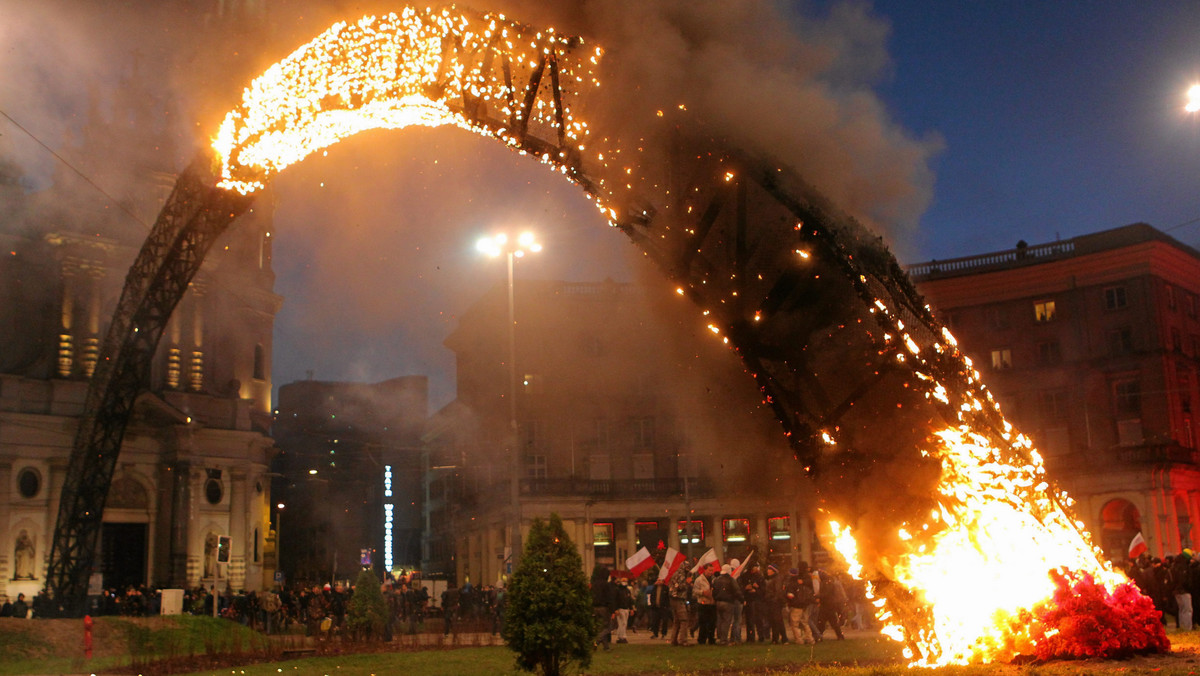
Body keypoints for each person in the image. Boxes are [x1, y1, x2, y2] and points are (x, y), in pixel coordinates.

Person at [783, 568, 815, 644]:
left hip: (796, 606)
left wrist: (788, 600)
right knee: (804, 622)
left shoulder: (791, 583)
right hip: (804, 605)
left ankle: (799, 640)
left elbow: (790, 595)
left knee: (794, 624)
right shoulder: (801, 582)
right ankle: (810, 639)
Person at [712, 563, 742, 644]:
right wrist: (742, 599)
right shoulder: (731, 580)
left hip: (718, 602)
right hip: (728, 602)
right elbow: (736, 591)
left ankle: (719, 637)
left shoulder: (716, 580)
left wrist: (715, 599)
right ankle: (724, 639)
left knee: (719, 621)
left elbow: (714, 591)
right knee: (726, 621)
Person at [591, 566, 617, 649]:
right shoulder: (606, 585)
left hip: (595, 608)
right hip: (604, 608)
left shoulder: (594, 584)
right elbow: (609, 598)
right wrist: (613, 610)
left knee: (600, 627)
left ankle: (606, 647)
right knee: (608, 627)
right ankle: (597, 641)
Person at [763, 565, 788, 643]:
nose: (768, 571)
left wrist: (774, 600)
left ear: (773, 571)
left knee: (778, 620)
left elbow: (778, 591)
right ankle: (775, 638)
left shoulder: (777, 579)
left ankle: (784, 638)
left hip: (775, 602)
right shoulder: (772, 579)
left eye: (769, 569)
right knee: (774, 621)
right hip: (771, 602)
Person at [693, 565, 717, 644]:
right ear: (705, 570)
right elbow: (694, 592)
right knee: (703, 622)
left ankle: (711, 638)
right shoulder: (699, 580)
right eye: (709, 570)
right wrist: (702, 592)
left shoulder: (714, 579)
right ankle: (701, 639)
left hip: (712, 603)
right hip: (703, 603)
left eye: (712, 570)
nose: (711, 572)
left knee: (712, 622)